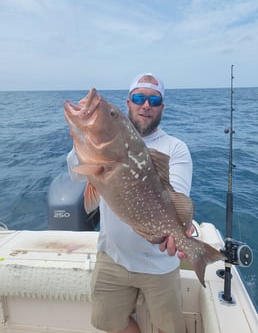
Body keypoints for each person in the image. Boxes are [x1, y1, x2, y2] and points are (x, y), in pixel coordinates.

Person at [67, 73, 193, 333]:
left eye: (153, 99)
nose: (145, 104)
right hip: (112, 257)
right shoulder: (94, 147)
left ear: (162, 107)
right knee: (110, 324)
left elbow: (176, 195)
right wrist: (83, 133)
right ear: (128, 104)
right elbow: (77, 174)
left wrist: (179, 232)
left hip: (159, 265)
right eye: (139, 97)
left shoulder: (176, 148)